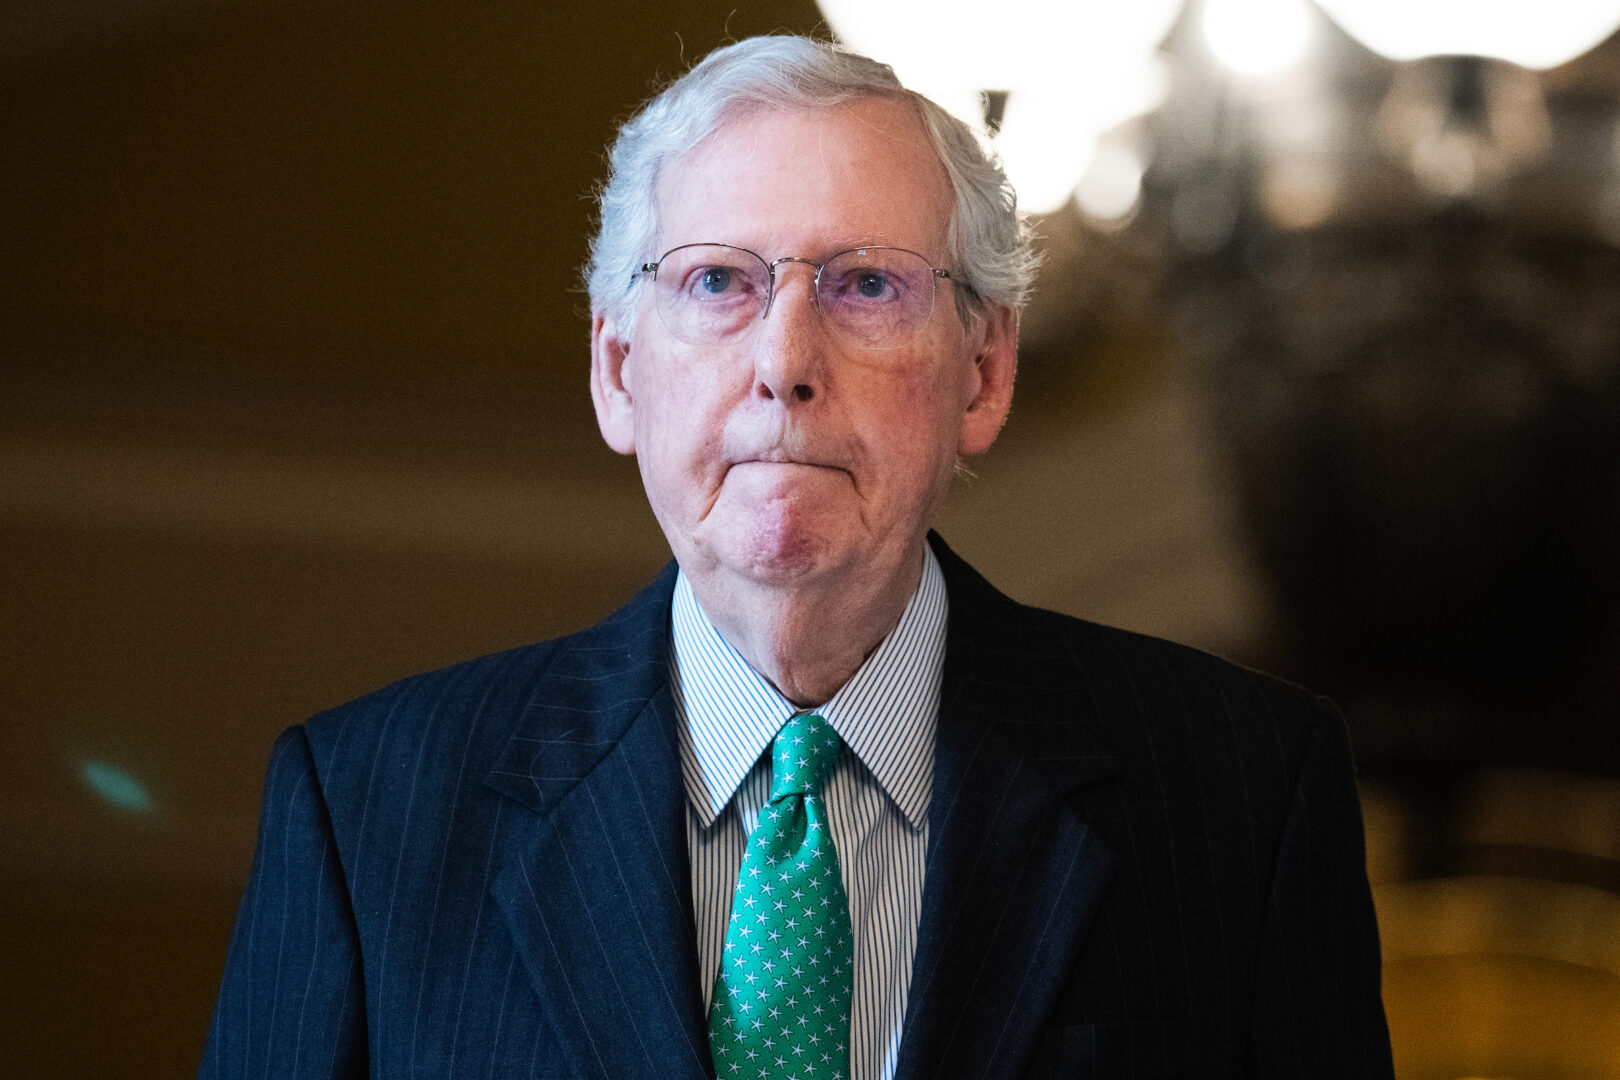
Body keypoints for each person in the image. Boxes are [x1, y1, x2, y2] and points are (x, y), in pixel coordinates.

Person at [199, 35, 1393, 1080]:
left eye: (866, 285)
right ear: (619, 370)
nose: (785, 358)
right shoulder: (366, 814)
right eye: (719, 280)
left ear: (985, 373)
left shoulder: (1244, 793)